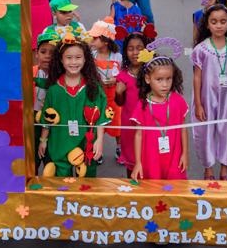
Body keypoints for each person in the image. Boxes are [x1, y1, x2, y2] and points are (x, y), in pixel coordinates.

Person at [36, 37, 109, 178]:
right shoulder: (54, 89)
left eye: (78, 57)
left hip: (87, 142)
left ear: (85, 59)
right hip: (60, 141)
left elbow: (100, 117)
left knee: (87, 180)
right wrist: (43, 141)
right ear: (61, 60)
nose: (74, 62)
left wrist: (99, 140)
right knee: (62, 180)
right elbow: (48, 117)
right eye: (69, 58)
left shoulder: (93, 87)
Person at [192, 3, 227, 180]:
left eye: (223, 21)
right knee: (206, 131)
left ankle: (224, 169)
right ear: (207, 25)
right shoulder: (201, 49)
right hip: (207, 97)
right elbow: (197, 77)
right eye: (214, 22)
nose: (219, 25)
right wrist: (198, 103)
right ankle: (208, 169)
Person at [129, 54, 190, 181]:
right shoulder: (143, 105)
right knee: (153, 188)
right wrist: (138, 162)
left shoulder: (177, 101)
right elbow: (138, 135)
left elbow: (183, 129)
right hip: (151, 158)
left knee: (175, 188)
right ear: (148, 79)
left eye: (169, 79)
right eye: (159, 79)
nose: (165, 84)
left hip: (174, 156)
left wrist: (185, 153)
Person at [113, 31, 149, 177]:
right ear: (125, 52)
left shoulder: (152, 72)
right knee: (131, 161)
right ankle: (133, 186)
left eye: (139, 48)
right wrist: (118, 93)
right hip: (129, 126)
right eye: (130, 49)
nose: (135, 53)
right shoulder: (122, 75)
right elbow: (119, 103)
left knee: (149, 159)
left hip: (148, 123)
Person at [89, 18, 121, 165]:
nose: (92, 40)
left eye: (95, 38)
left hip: (113, 96)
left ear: (106, 41)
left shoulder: (117, 56)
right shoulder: (92, 55)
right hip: (97, 95)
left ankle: (119, 147)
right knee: (96, 121)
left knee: (117, 122)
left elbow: (121, 74)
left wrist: (116, 80)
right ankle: (97, 149)